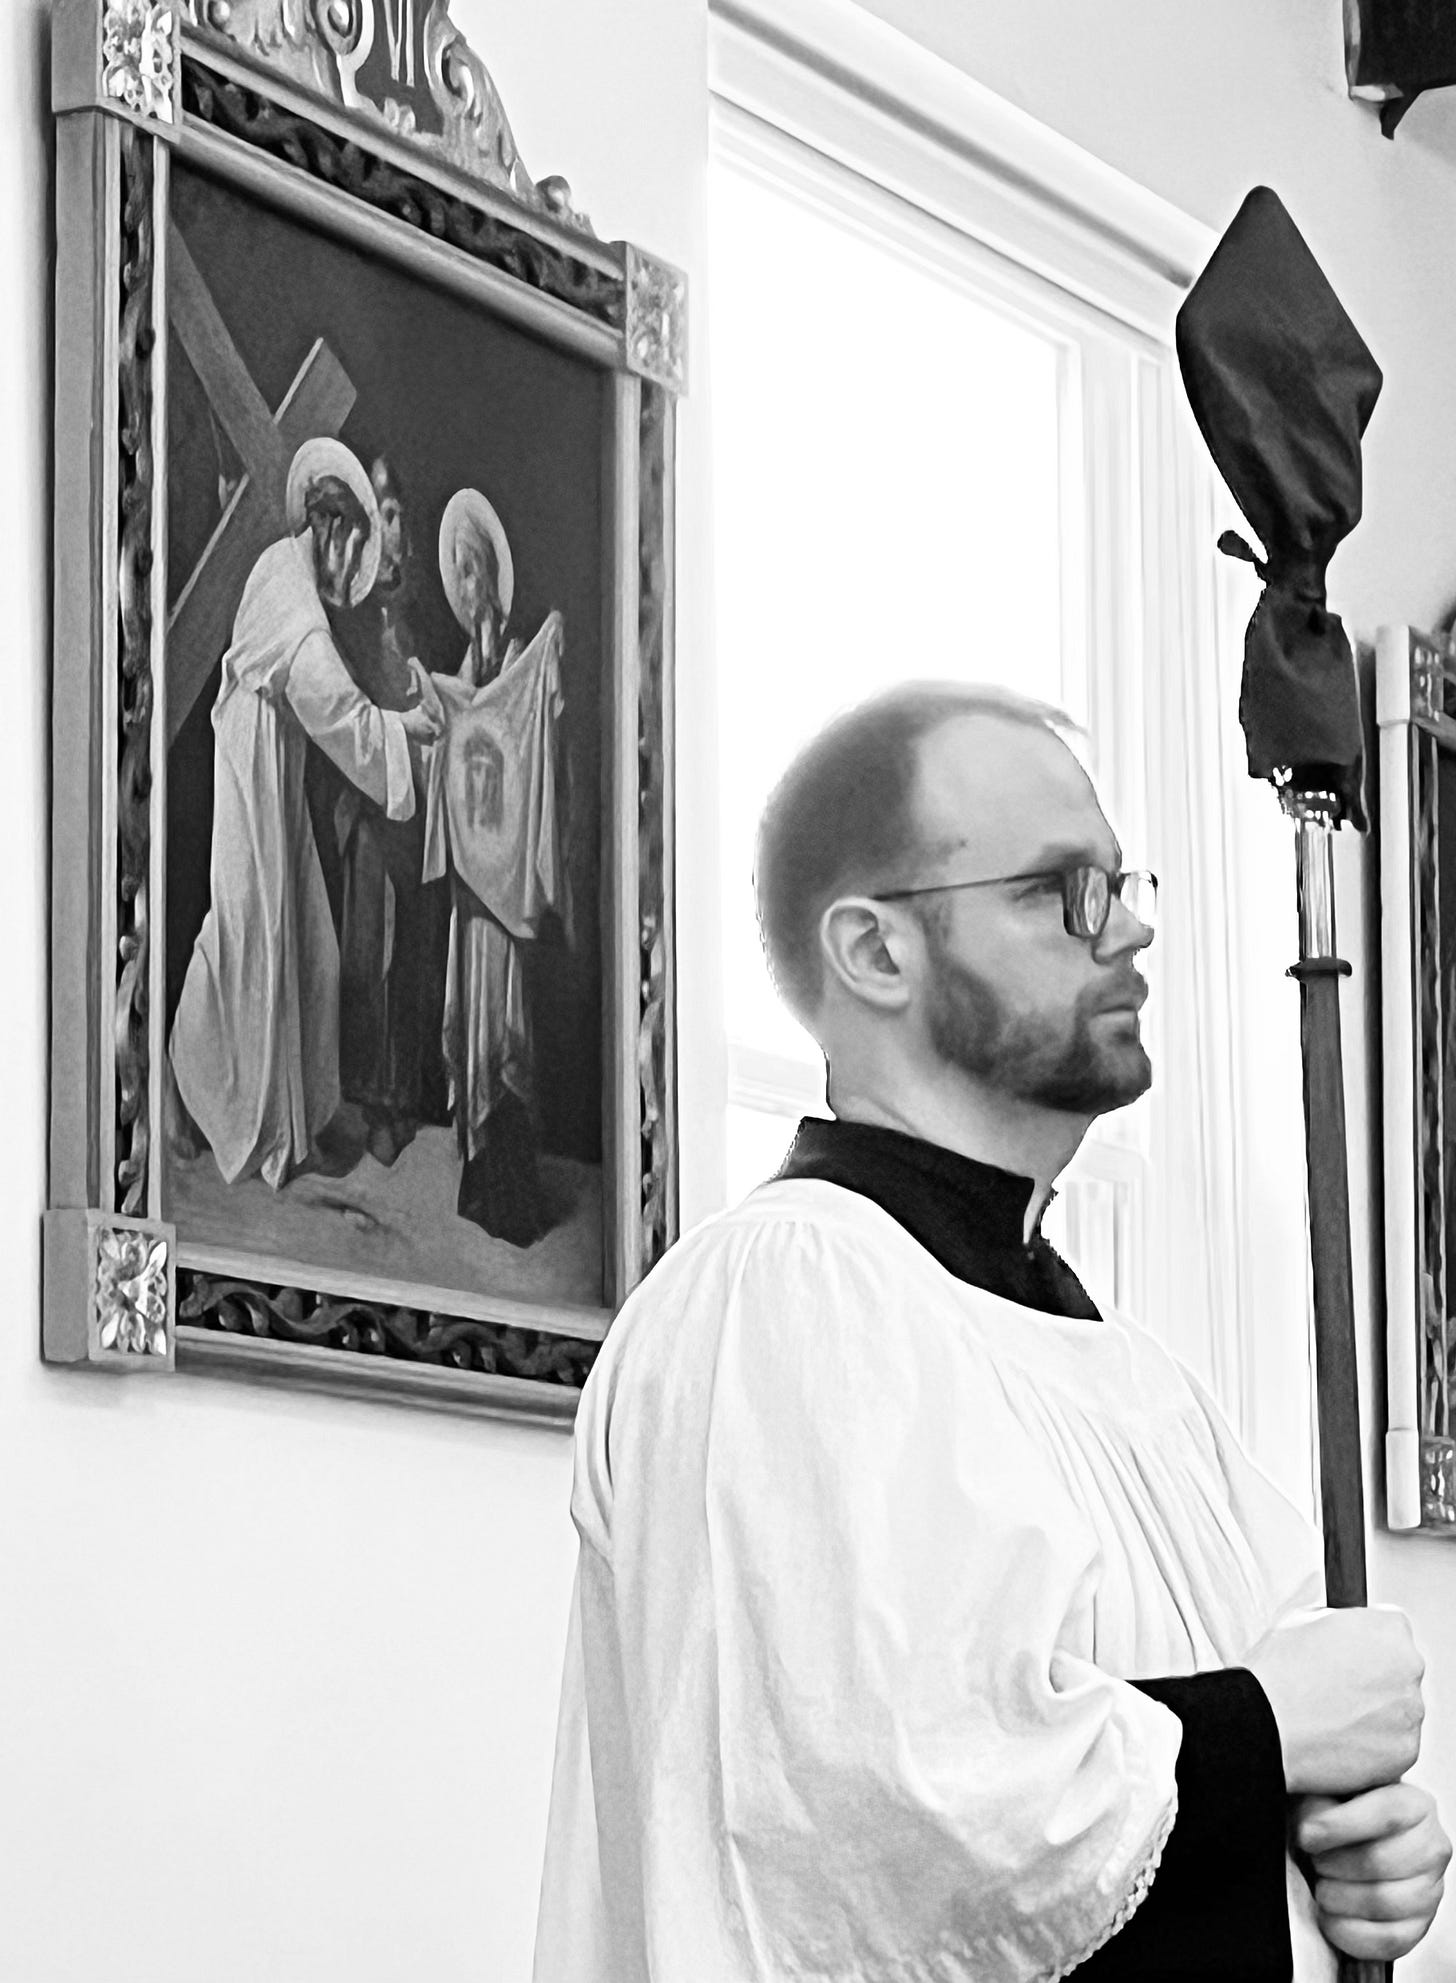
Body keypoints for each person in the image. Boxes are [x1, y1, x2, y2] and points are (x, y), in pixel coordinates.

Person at [533, 682, 1449, 1982]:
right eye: (1059, 890)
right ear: (875, 952)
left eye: (1120, 882)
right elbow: (869, 1835)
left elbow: (1261, 1763)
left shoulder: (1143, 1388)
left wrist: (1341, 1849)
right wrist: (1264, 1730)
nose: (1128, 925)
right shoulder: (786, 1300)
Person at [169, 438, 443, 1190]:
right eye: (354, 545)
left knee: (308, 950)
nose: (353, 569)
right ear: (331, 526)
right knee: (241, 935)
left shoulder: (290, 576)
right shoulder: (294, 603)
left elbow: (337, 711)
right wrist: (406, 737)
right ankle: (178, 1081)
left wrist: (398, 726)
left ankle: (291, 1127)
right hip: (250, 762)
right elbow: (341, 716)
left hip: (275, 759)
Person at [423, 487, 566, 1246]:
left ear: (490, 575)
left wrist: (544, 666)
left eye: (472, 569)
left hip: (501, 890)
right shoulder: (465, 669)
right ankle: (477, 1171)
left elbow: (521, 741)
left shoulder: (513, 664)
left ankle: (510, 1181)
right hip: (469, 893)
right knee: (471, 1019)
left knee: (502, 1022)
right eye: (457, 573)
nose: (466, 586)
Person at [321, 455, 435, 1168]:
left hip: (412, 823)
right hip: (366, 816)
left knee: (407, 958)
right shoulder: (351, 621)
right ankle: (365, 1100)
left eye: (398, 514)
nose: (393, 529)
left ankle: (399, 1101)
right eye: (382, 513)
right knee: (368, 951)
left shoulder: (416, 622)